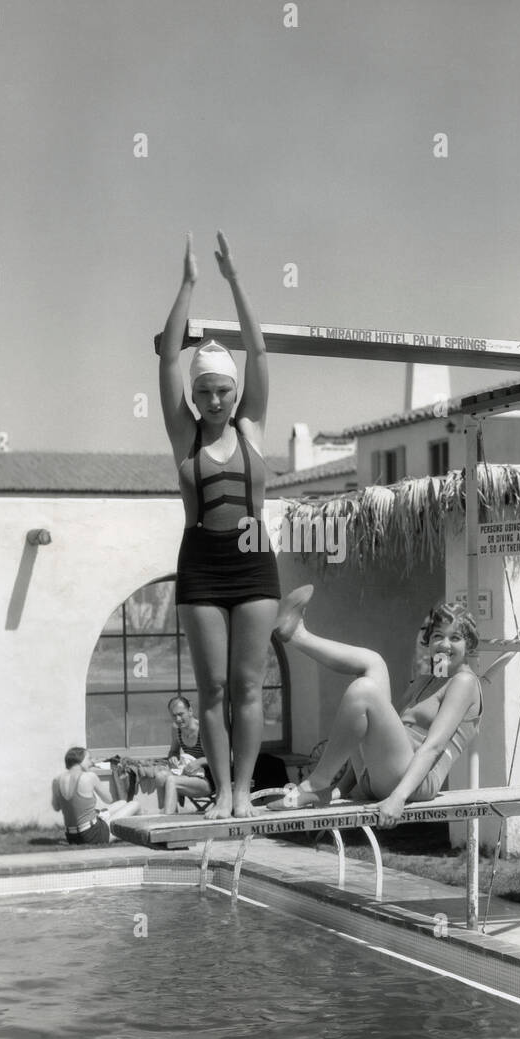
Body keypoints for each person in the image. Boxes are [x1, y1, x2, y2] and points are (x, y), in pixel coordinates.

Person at [157, 231, 280, 821]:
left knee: (250, 686)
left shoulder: (252, 426)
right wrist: (187, 284)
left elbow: (258, 351)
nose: (211, 400)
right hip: (202, 565)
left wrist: (234, 279)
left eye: (221, 391)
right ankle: (219, 787)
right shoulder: (187, 435)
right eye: (202, 391)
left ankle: (240, 791)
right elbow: (167, 356)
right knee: (212, 691)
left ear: (235, 394)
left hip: (255, 560)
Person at [268, 588, 483, 829]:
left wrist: (398, 799)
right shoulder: (427, 680)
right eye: (437, 637)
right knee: (374, 663)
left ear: (469, 644)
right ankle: (297, 634)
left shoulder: (464, 682)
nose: (445, 645)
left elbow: (433, 747)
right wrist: (340, 790)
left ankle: (315, 783)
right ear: (429, 641)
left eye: (455, 638)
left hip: (415, 783)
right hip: (380, 777)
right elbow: (373, 733)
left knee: (365, 690)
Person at [52, 747, 139, 846]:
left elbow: (56, 807)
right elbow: (109, 799)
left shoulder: (57, 780)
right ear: (79, 761)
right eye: (89, 759)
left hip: (71, 837)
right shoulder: (90, 776)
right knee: (135, 804)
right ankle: (143, 833)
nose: (92, 762)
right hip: (92, 835)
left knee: (122, 803)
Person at [153, 695, 214, 815]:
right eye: (174, 716)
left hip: (209, 780)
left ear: (190, 711)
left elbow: (225, 758)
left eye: (181, 714)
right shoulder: (176, 729)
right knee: (160, 776)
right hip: (188, 775)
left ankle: (167, 821)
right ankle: (167, 813)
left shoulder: (204, 729)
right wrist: (173, 758)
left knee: (171, 780)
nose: (178, 719)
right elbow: (173, 751)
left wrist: (199, 762)